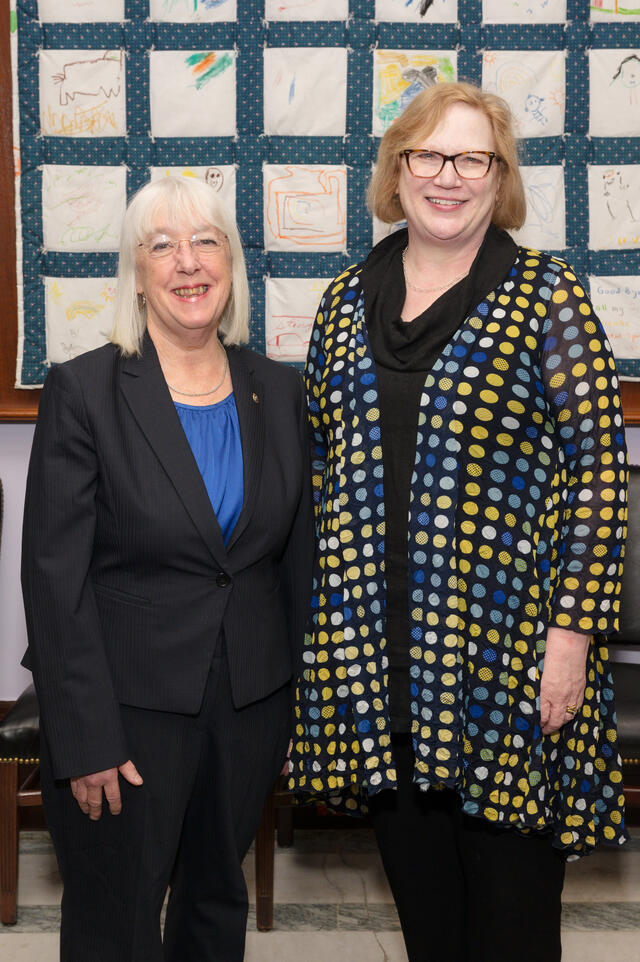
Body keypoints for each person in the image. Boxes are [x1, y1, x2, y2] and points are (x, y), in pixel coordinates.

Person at [288, 81, 628, 962]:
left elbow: (598, 477)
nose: (448, 176)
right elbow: (324, 470)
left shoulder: (546, 297)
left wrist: (572, 637)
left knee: (511, 928)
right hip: (382, 666)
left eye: (471, 157)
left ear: (498, 177)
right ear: (397, 172)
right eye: (428, 155)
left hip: (508, 669)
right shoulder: (340, 303)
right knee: (429, 923)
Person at [21, 175, 313, 962]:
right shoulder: (85, 391)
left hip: (250, 704)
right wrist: (83, 737)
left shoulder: (281, 394)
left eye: (205, 242)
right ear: (137, 272)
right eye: (163, 246)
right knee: (116, 921)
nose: (188, 263)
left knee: (217, 907)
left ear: (232, 264)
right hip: (124, 711)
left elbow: (296, 569)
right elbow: (54, 582)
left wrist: (298, 712)